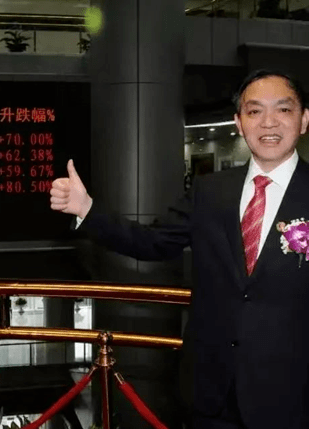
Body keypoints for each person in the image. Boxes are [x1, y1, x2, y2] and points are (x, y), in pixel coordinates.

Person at [49, 69, 309, 429]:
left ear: (303, 119)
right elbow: (153, 242)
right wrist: (87, 209)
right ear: (238, 122)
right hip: (211, 391)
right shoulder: (210, 191)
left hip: (292, 394)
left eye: (283, 109)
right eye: (254, 111)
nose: (268, 122)